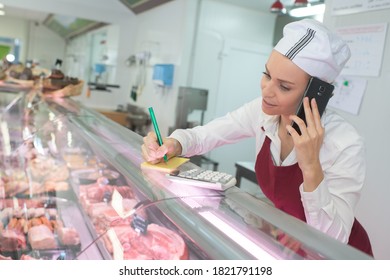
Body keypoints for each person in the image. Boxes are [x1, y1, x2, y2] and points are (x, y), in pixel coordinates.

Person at [141, 19, 373, 257]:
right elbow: (207, 134)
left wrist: (311, 164)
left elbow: (333, 238)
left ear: (316, 94)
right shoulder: (264, 114)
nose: (266, 90)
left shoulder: (345, 143)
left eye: (284, 86)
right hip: (291, 243)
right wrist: (176, 143)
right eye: (267, 74)